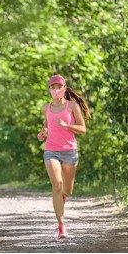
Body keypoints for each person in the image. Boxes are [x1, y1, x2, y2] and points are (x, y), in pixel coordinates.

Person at [37, 74, 90, 239]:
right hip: (51, 150)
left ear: (64, 89)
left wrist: (67, 125)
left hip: (69, 152)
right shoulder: (46, 108)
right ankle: (61, 226)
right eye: (53, 87)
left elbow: (83, 129)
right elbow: (46, 126)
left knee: (67, 190)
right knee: (57, 185)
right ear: (49, 90)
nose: (56, 90)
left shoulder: (72, 106)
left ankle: (61, 201)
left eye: (58, 87)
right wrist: (42, 132)